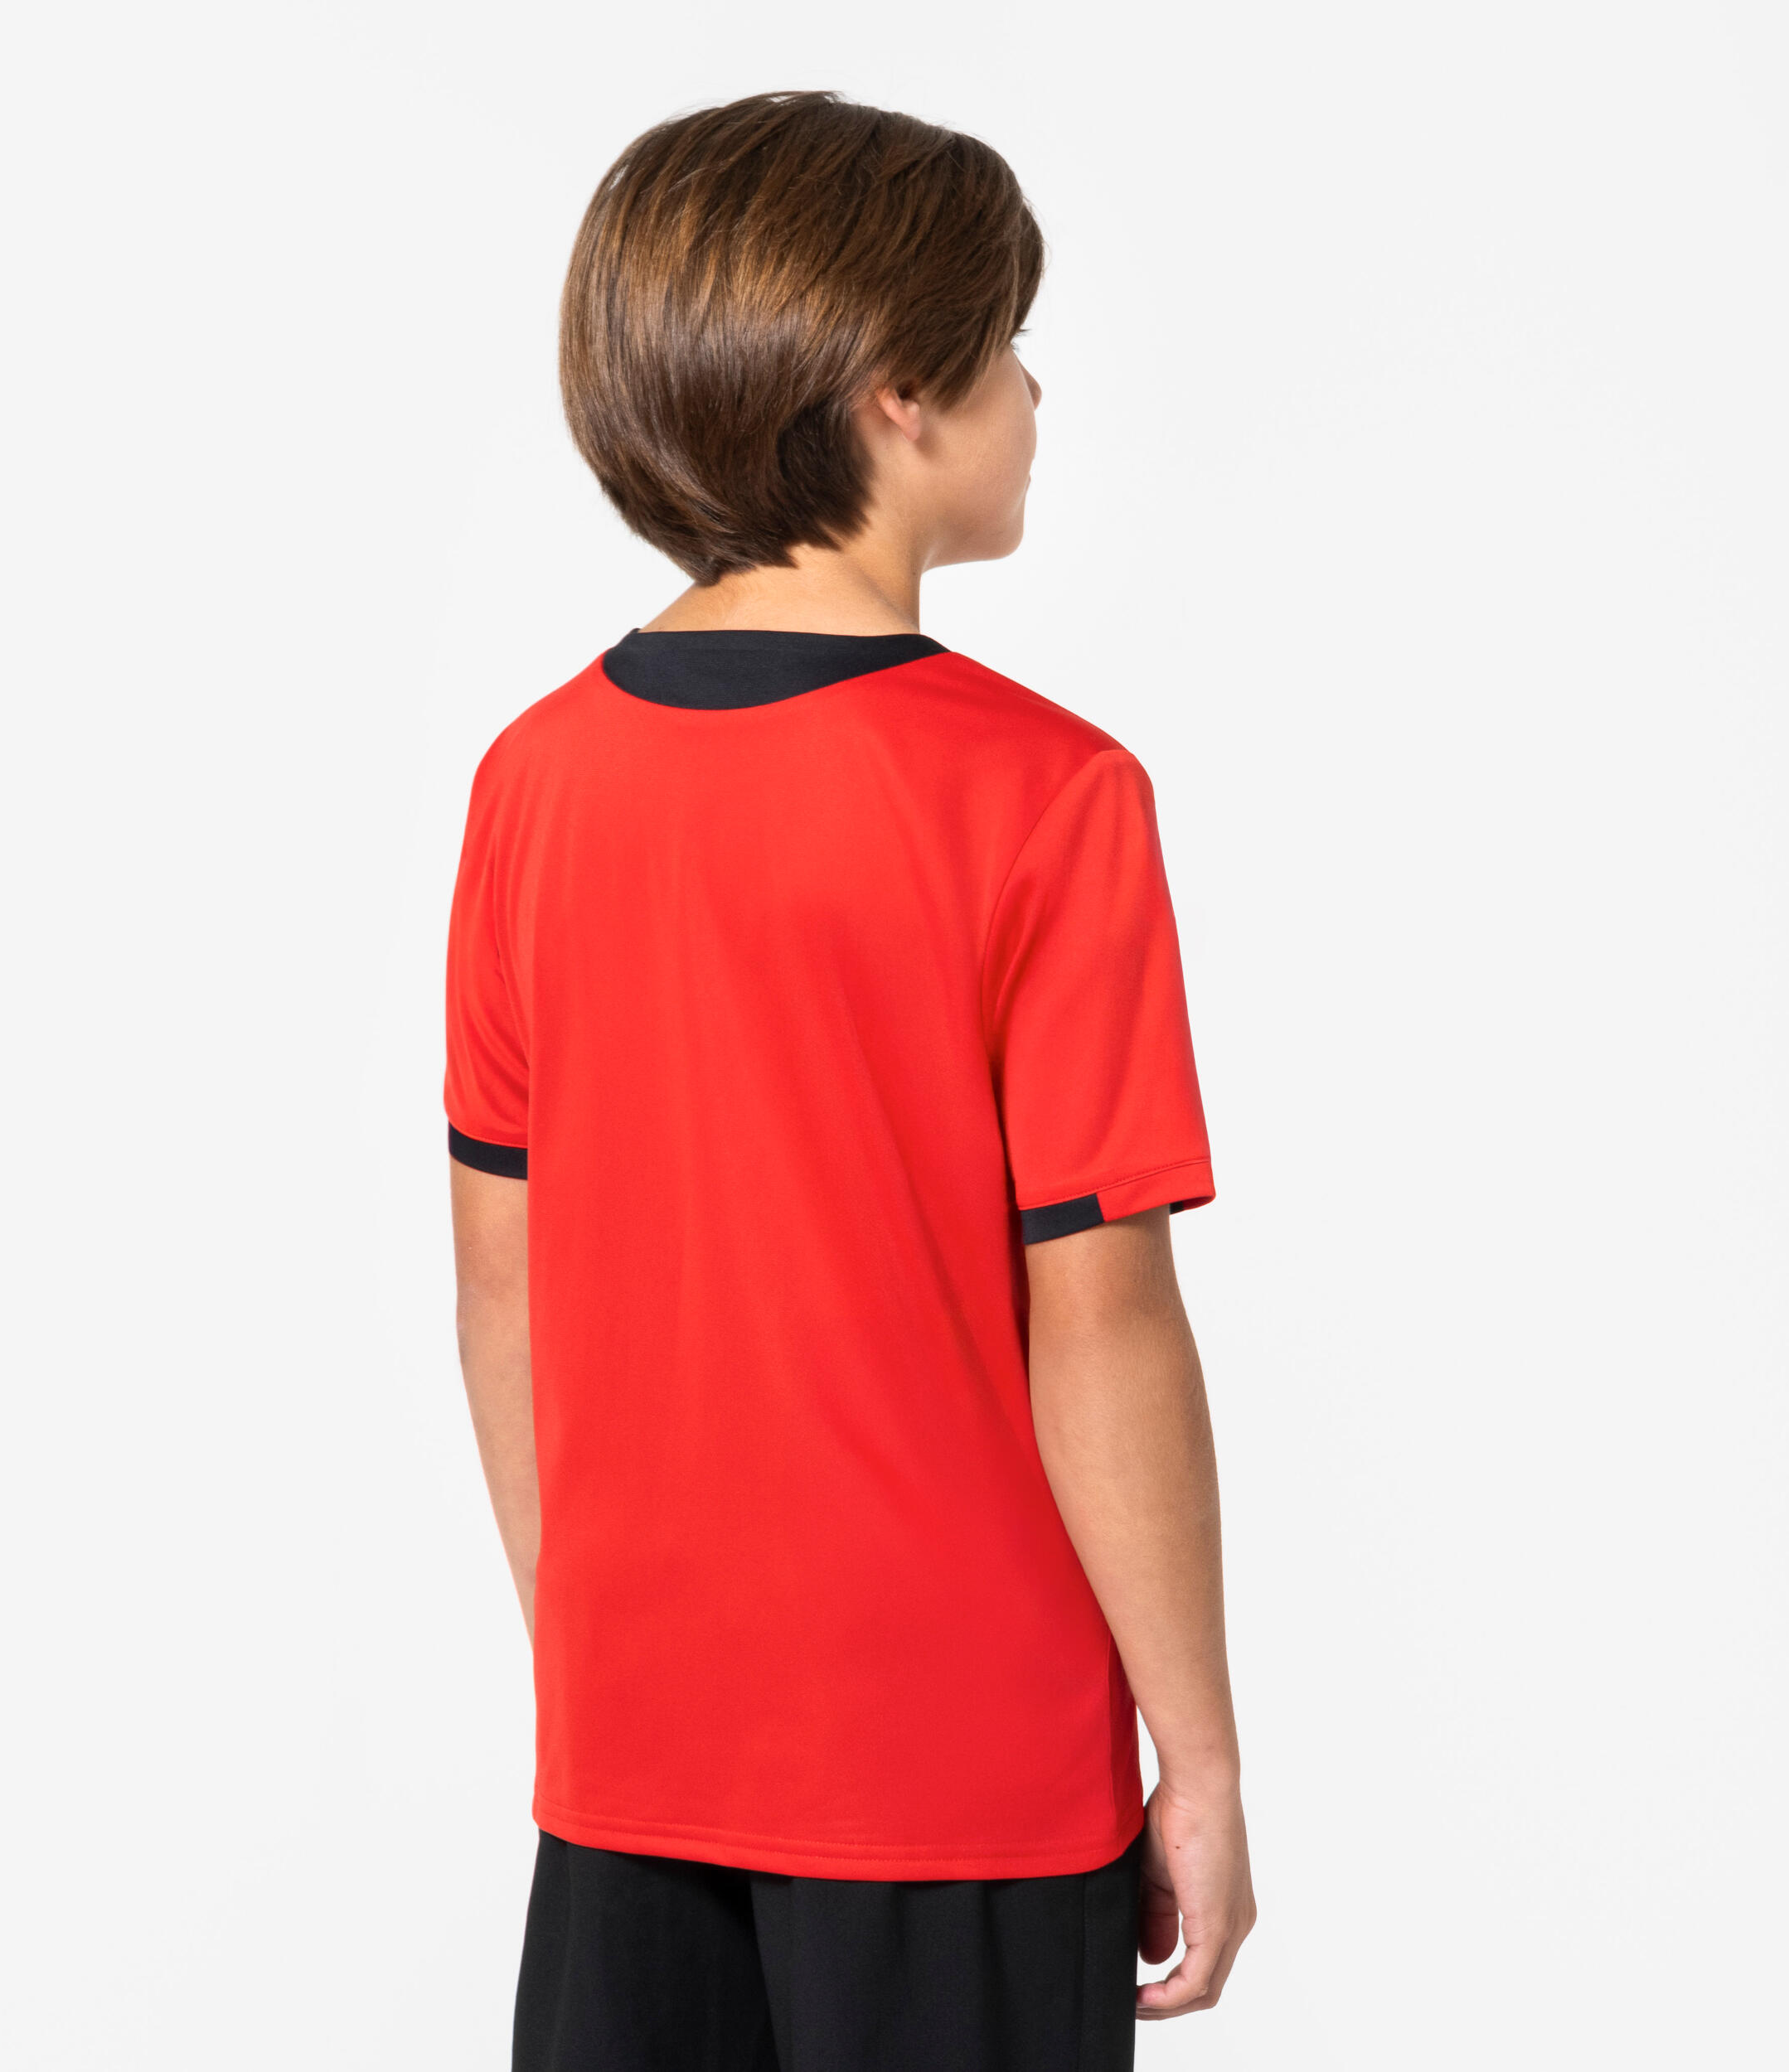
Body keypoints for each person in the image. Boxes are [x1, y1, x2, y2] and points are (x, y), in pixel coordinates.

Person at [445, 90, 1254, 2071]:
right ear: (897, 393)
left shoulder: (531, 783)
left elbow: (503, 1286)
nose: (1034, 391)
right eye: (1002, 347)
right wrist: (1202, 1750)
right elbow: (1100, 1317)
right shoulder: (1044, 796)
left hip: (630, 1767)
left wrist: (606, 1679)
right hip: (957, 1777)